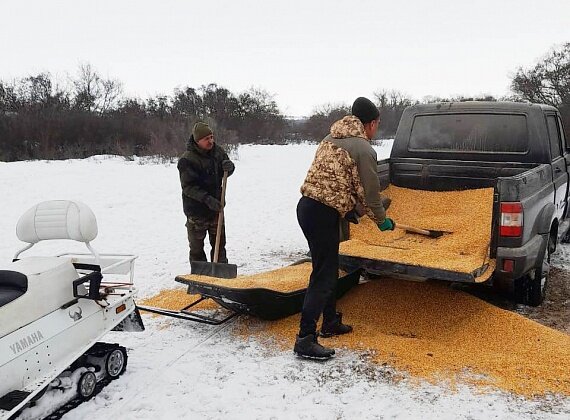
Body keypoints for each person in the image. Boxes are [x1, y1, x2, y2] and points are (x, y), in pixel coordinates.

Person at [294, 97, 395, 360]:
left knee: (326, 267)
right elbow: (371, 195)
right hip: (323, 214)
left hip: (307, 207)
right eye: (377, 125)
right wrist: (382, 220)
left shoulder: (330, 137)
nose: (376, 130)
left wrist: (352, 209)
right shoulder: (363, 149)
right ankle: (305, 339)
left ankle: (329, 323)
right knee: (323, 275)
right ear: (371, 123)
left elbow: (341, 181)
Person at [177, 122, 235, 264]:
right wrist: (207, 199)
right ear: (197, 141)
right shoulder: (187, 160)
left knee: (219, 246)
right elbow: (188, 187)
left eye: (211, 137)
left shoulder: (218, 152)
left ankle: (222, 277)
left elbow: (226, 171)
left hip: (216, 209)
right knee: (197, 249)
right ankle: (199, 279)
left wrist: (230, 167)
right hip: (197, 212)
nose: (211, 141)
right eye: (206, 139)